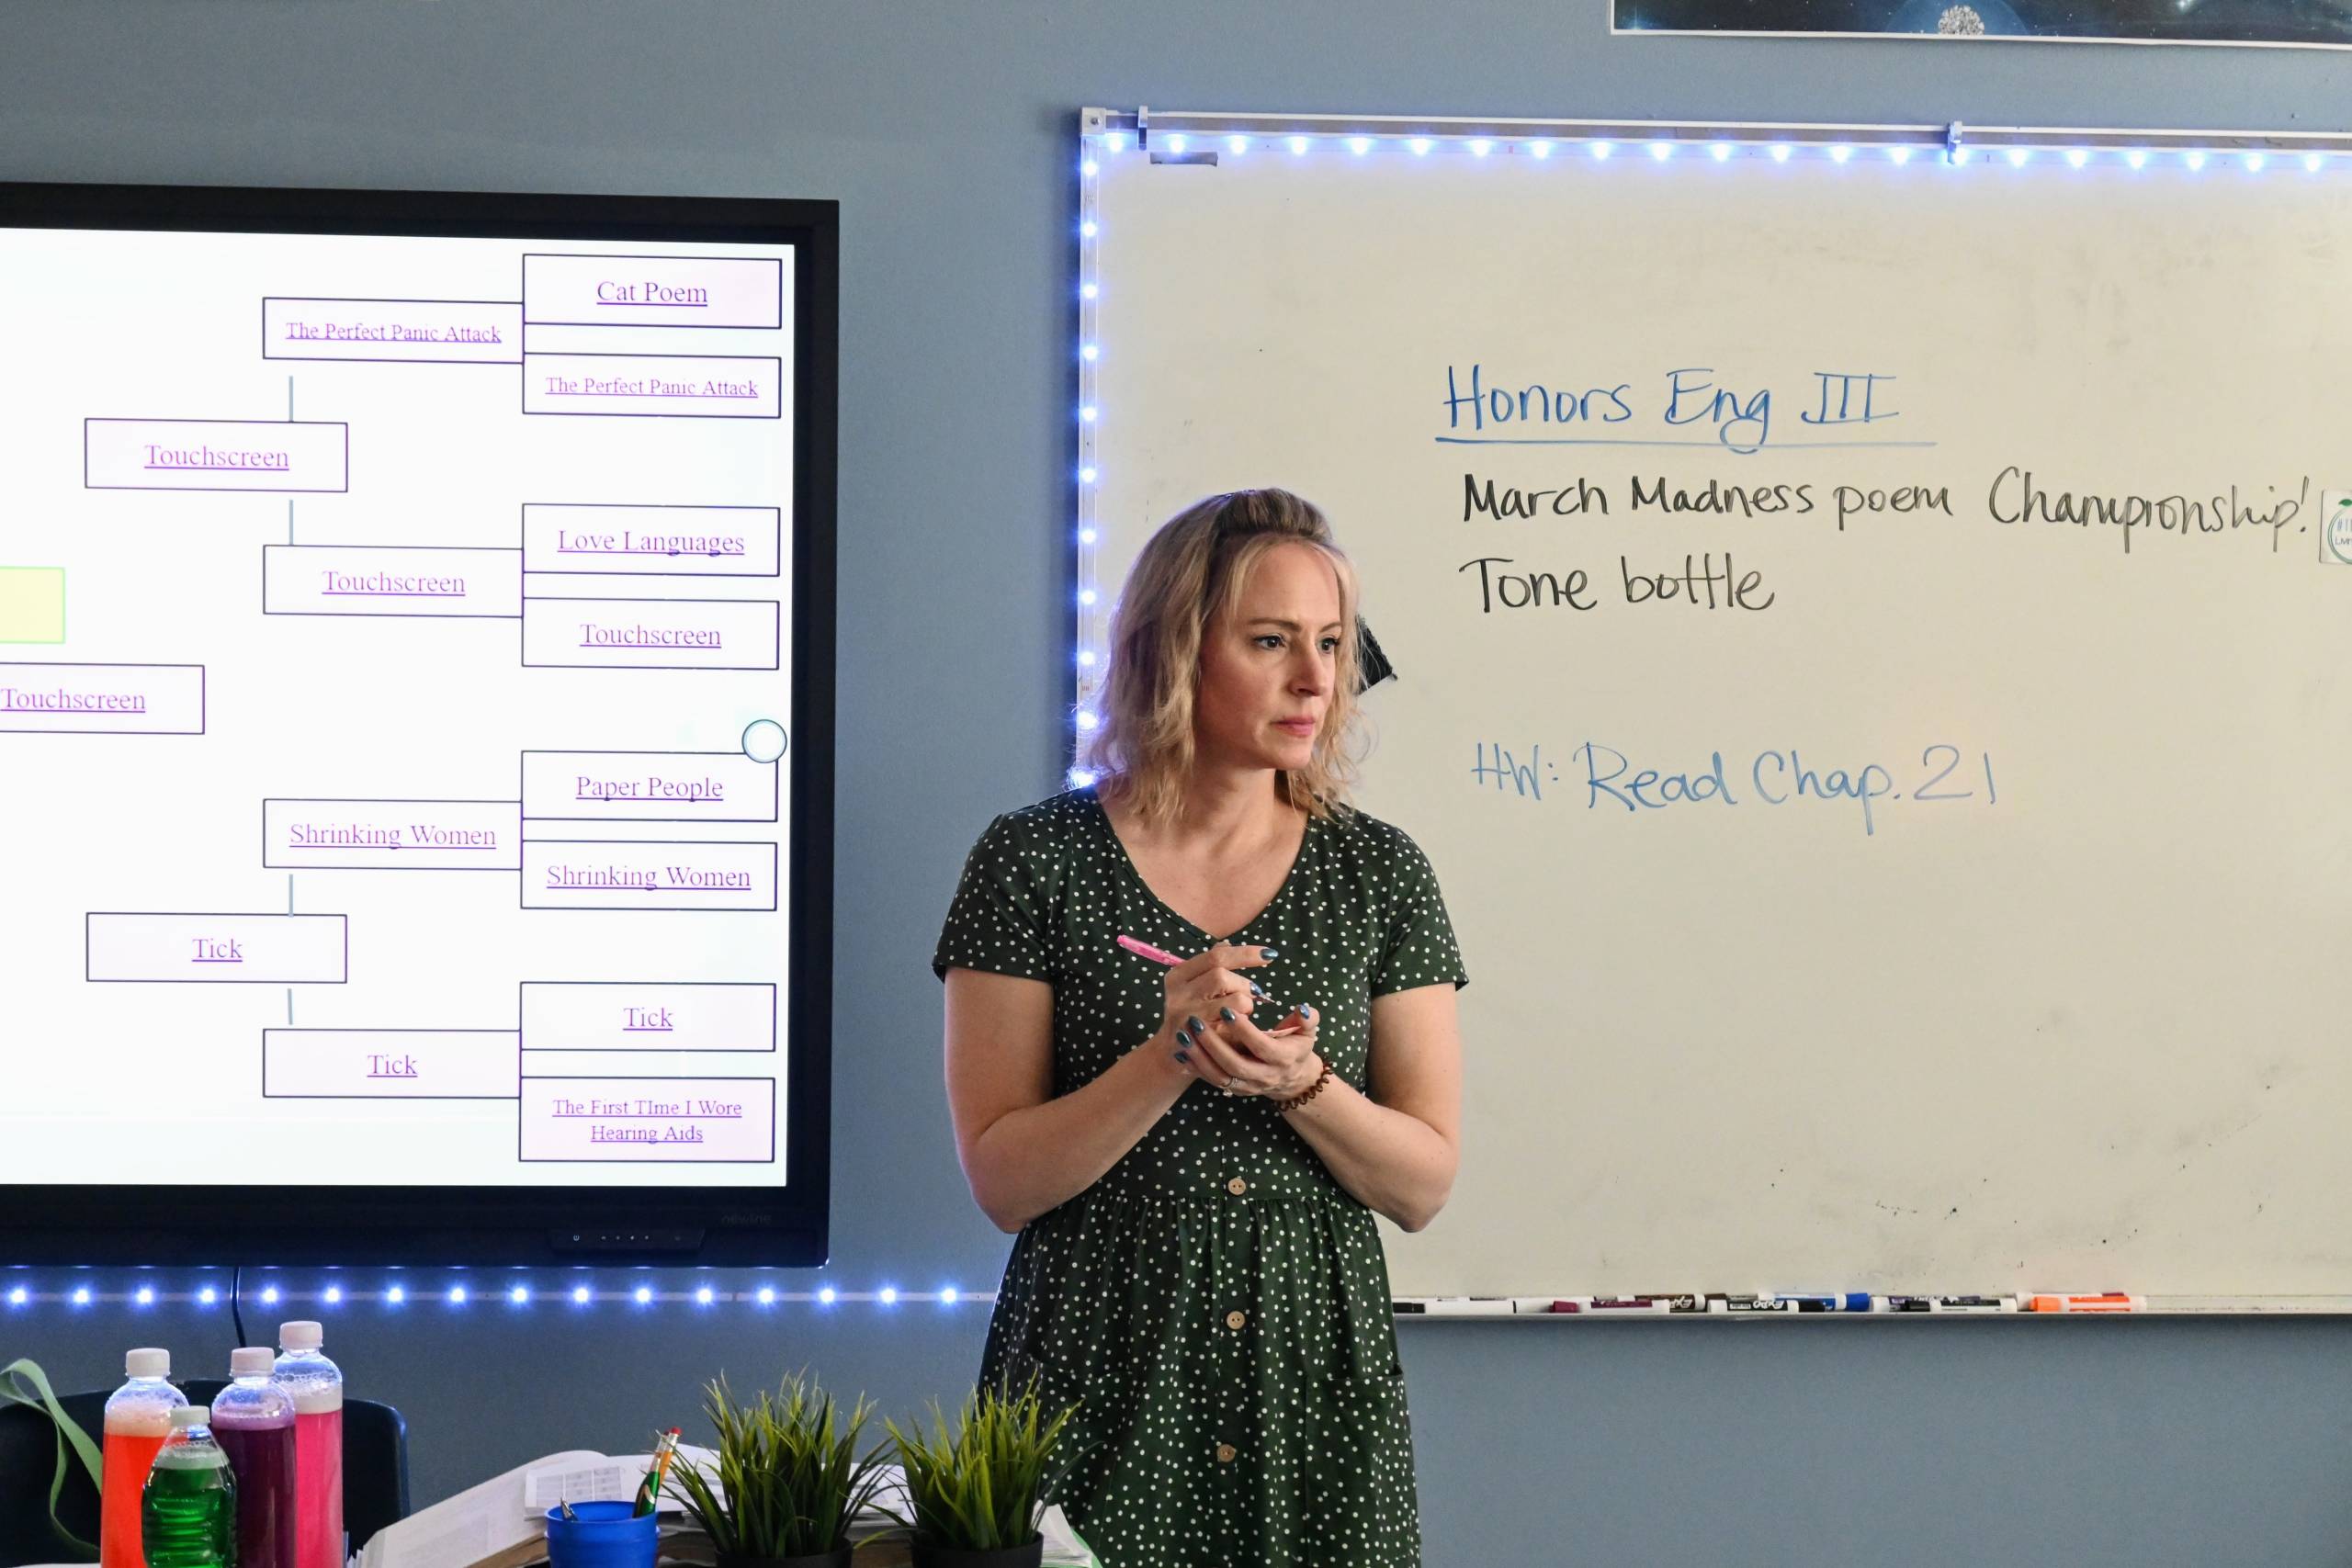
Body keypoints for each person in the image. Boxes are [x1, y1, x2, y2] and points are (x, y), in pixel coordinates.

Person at [933, 488, 1466, 1567]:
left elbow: (1421, 1185)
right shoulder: (1032, 860)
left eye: (1329, 642)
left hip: (1309, 1375)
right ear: (1173, 650)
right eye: (1270, 642)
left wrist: (1302, 1087)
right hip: (1094, 1370)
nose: (1316, 678)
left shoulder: (1378, 872)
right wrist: (1166, 1056)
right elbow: (1002, 1182)